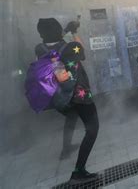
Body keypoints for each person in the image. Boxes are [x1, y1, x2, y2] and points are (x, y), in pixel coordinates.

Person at [35, 18, 99, 185]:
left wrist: (65, 30)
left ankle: (66, 149)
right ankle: (78, 172)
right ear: (58, 31)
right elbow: (82, 52)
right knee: (92, 129)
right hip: (79, 94)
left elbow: (53, 42)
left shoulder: (39, 48)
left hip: (58, 96)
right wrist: (74, 32)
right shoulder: (71, 47)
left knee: (71, 117)